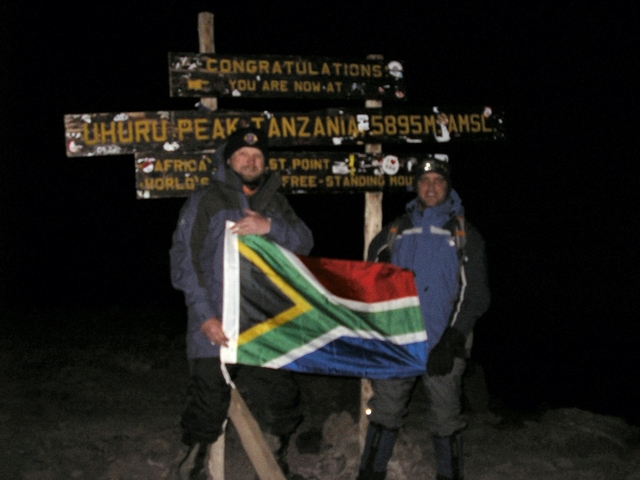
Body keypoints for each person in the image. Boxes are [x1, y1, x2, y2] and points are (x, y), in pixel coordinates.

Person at [169, 126, 314, 479]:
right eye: (243, 155)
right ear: (229, 160)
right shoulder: (206, 199)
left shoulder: (276, 202)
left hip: (265, 319)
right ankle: (193, 464)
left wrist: (270, 227)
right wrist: (204, 317)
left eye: (257, 156)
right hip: (215, 319)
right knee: (207, 395)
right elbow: (184, 260)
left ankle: (275, 459)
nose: (251, 161)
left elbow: (305, 243)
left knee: (281, 394)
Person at [356, 157, 490, 480]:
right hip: (399, 341)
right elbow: (367, 279)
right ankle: (369, 475)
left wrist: (453, 339)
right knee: (384, 412)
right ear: (415, 185)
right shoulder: (396, 229)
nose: (431, 187)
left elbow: (476, 295)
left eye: (438, 181)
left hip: (444, 341)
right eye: (424, 180)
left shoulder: (463, 232)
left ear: (448, 185)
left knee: (446, 418)